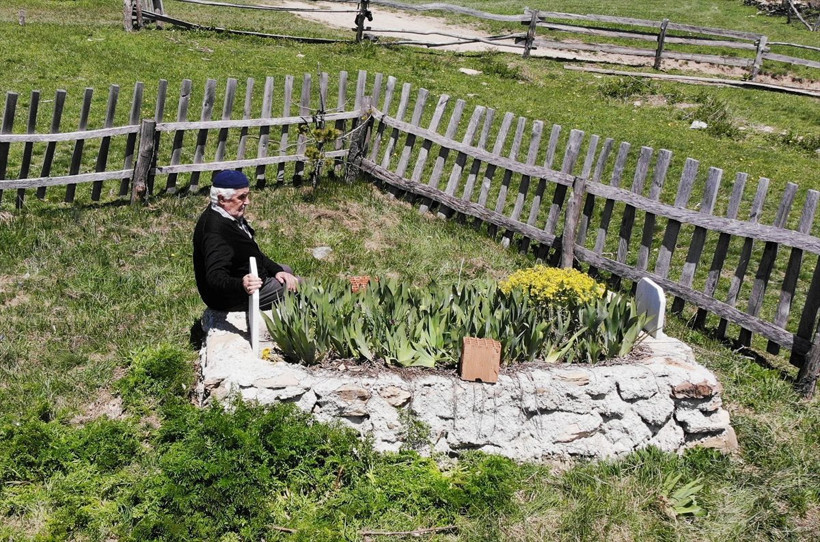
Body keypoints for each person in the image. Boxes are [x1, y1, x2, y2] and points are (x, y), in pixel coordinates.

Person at [193, 170, 300, 311]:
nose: (247, 202)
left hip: (248, 273)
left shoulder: (224, 213)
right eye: (242, 197)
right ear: (222, 199)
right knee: (304, 286)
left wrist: (276, 271)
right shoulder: (215, 232)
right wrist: (241, 284)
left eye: (247, 195)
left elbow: (251, 252)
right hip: (232, 297)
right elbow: (215, 277)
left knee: (286, 270)